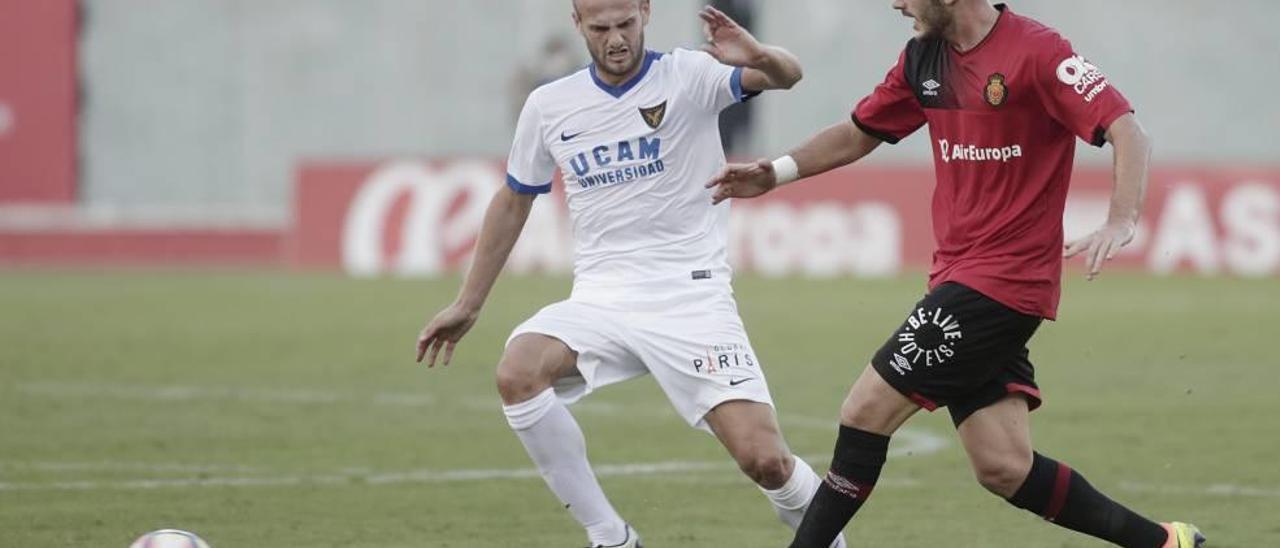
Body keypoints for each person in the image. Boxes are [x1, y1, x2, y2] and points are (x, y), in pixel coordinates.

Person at [706, 1, 1205, 547]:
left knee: (864, 410)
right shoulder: (925, 57)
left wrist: (1120, 218)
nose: (896, 4)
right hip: (958, 278)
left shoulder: (1039, 51)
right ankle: (1164, 542)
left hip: (1005, 284)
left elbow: (1127, 131)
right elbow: (859, 130)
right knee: (1003, 466)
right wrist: (774, 173)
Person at [415, 1, 847, 547]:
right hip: (601, 298)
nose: (615, 39)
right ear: (578, 25)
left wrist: (759, 54)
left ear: (646, 12)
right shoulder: (549, 105)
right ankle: (611, 537)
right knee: (517, 372)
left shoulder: (688, 75)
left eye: (626, 24)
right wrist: (468, 303)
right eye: (600, 28)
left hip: (691, 297)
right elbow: (514, 199)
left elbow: (788, 75)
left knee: (765, 461)